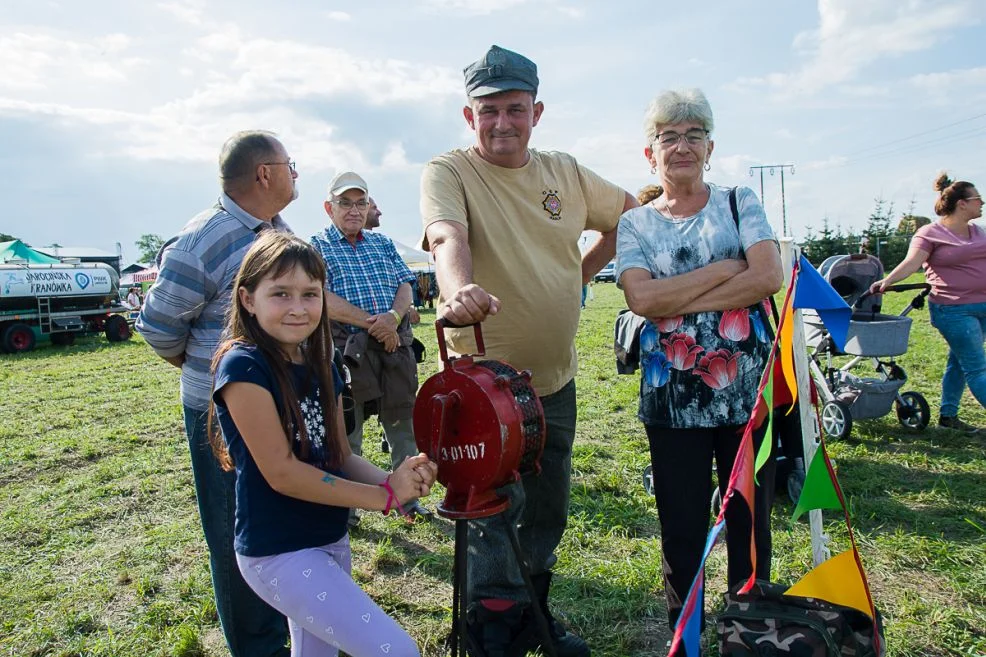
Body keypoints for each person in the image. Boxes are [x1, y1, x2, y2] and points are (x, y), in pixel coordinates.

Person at [420, 44, 637, 657]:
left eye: (515, 109)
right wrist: (458, 289)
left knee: (547, 507)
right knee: (491, 511)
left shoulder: (564, 171)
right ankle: (491, 630)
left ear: (536, 112)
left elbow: (632, 216)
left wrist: (576, 271)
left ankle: (533, 614)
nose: (502, 123)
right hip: (480, 386)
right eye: (488, 111)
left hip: (554, 379)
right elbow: (446, 236)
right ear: (470, 116)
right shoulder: (450, 171)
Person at [209, 231, 437, 657]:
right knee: (397, 651)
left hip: (328, 538)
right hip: (277, 552)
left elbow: (340, 456)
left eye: (310, 294)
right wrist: (384, 497)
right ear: (247, 298)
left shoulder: (322, 361)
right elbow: (283, 473)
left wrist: (395, 481)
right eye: (280, 293)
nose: (298, 308)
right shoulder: (243, 366)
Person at [615, 88, 783, 650]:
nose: (681, 146)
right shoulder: (635, 223)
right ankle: (685, 637)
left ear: (710, 147)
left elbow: (766, 276)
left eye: (693, 135)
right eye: (668, 136)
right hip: (671, 401)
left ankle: (748, 629)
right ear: (650, 153)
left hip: (745, 395)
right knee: (681, 528)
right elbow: (641, 300)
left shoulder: (740, 200)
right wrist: (723, 269)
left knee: (747, 518)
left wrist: (673, 296)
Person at [136, 130, 298, 657]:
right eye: (289, 164)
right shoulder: (207, 236)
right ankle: (258, 648)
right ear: (264, 174)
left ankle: (287, 628)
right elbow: (158, 326)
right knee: (237, 533)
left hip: (278, 404)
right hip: (222, 414)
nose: (296, 172)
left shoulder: (275, 230)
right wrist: (218, 375)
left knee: (277, 523)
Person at [311, 171, 433, 522]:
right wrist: (376, 324)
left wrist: (394, 318)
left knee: (402, 424)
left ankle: (408, 499)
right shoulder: (315, 247)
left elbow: (405, 285)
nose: (353, 210)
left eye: (360, 203)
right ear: (328, 207)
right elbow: (320, 296)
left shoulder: (381, 243)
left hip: (393, 345)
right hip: (346, 349)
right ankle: (348, 509)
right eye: (345, 203)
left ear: (369, 207)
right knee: (348, 431)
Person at [870, 172, 986, 433]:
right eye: (978, 198)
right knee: (978, 369)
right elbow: (912, 263)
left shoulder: (979, 232)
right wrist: (887, 282)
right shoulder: (931, 233)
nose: (982, 203)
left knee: (959, 361)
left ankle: (948, 417)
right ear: (962, 203)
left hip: (983, 307)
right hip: (954, 310)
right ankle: (949, 417)